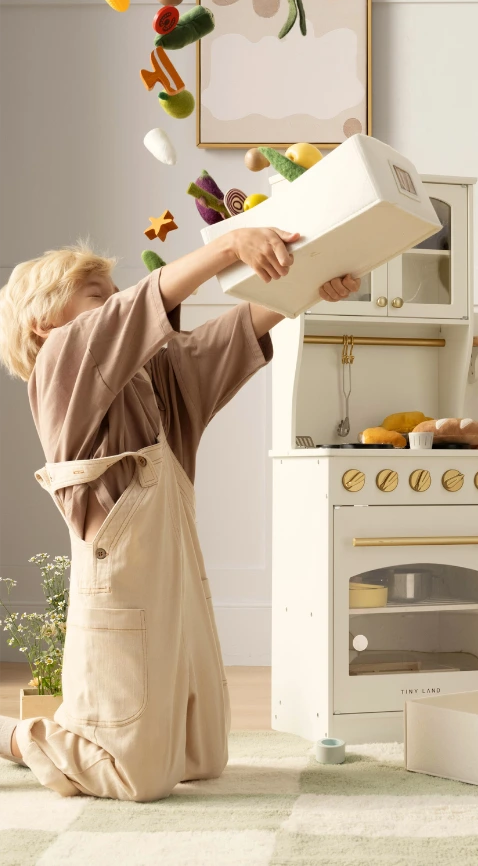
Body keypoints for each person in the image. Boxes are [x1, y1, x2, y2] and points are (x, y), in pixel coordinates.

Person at [0, 228, 359, 798]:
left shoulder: (152, 375)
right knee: (134, 775)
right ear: (43, 322)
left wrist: (312, 284)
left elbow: (233, 333)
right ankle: (18, 737)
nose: (117, 302)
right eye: (97, 296)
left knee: (205, 755)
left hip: (178, 574)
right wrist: (231, 246)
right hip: (120, 582)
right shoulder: (61, 363)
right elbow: (136, 310)